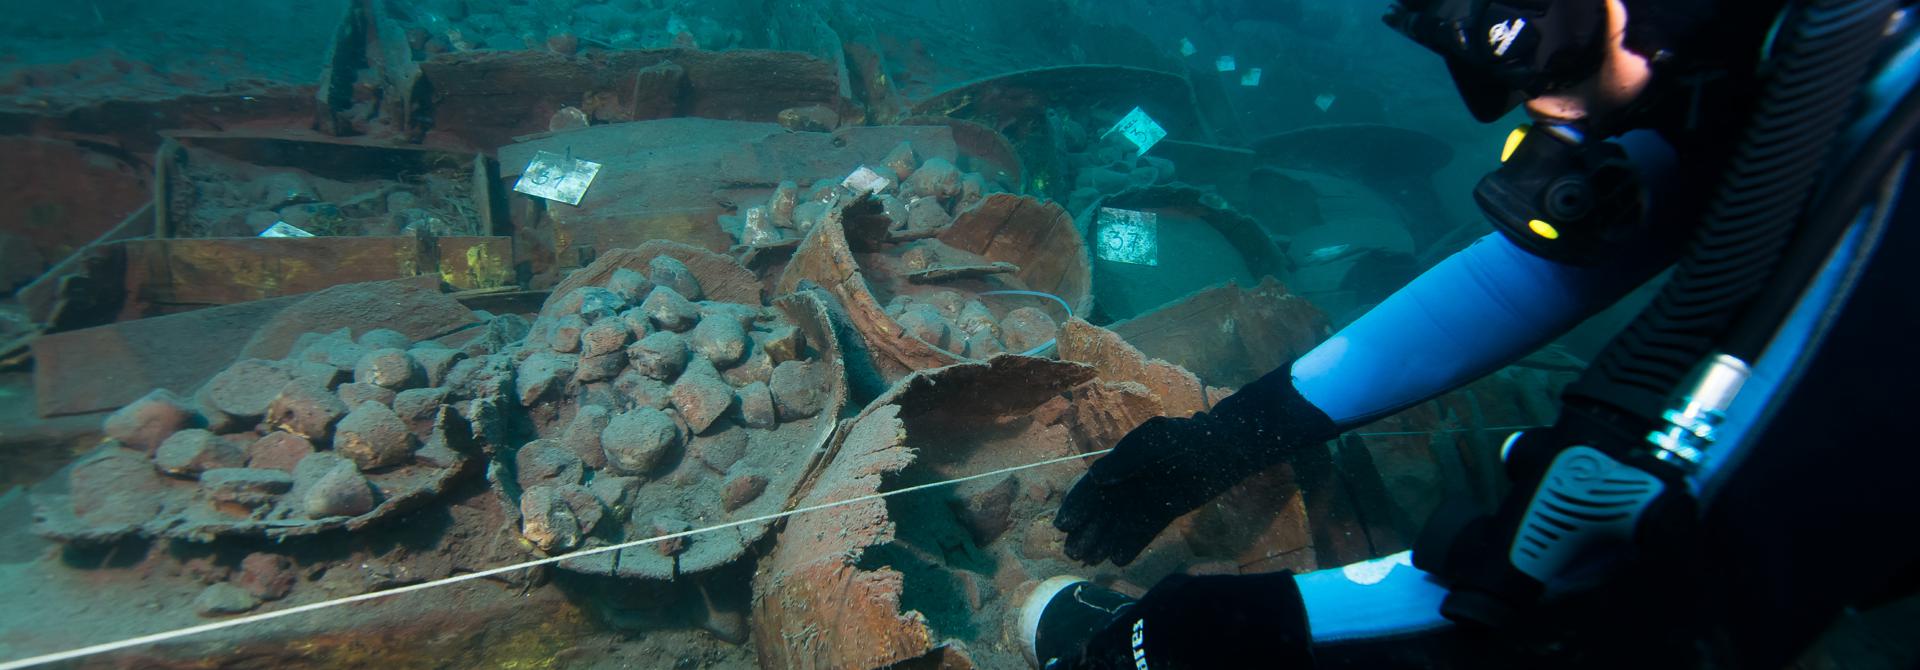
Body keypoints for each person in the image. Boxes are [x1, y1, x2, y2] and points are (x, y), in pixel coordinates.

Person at [1019, 0, 1920, 667]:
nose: (1530, 111)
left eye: (1522, 42)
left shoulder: (1890, 165)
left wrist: (1166, 640)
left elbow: (1590, 590)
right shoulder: (1741, 59)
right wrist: (1235, 432)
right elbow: (1529, 273)